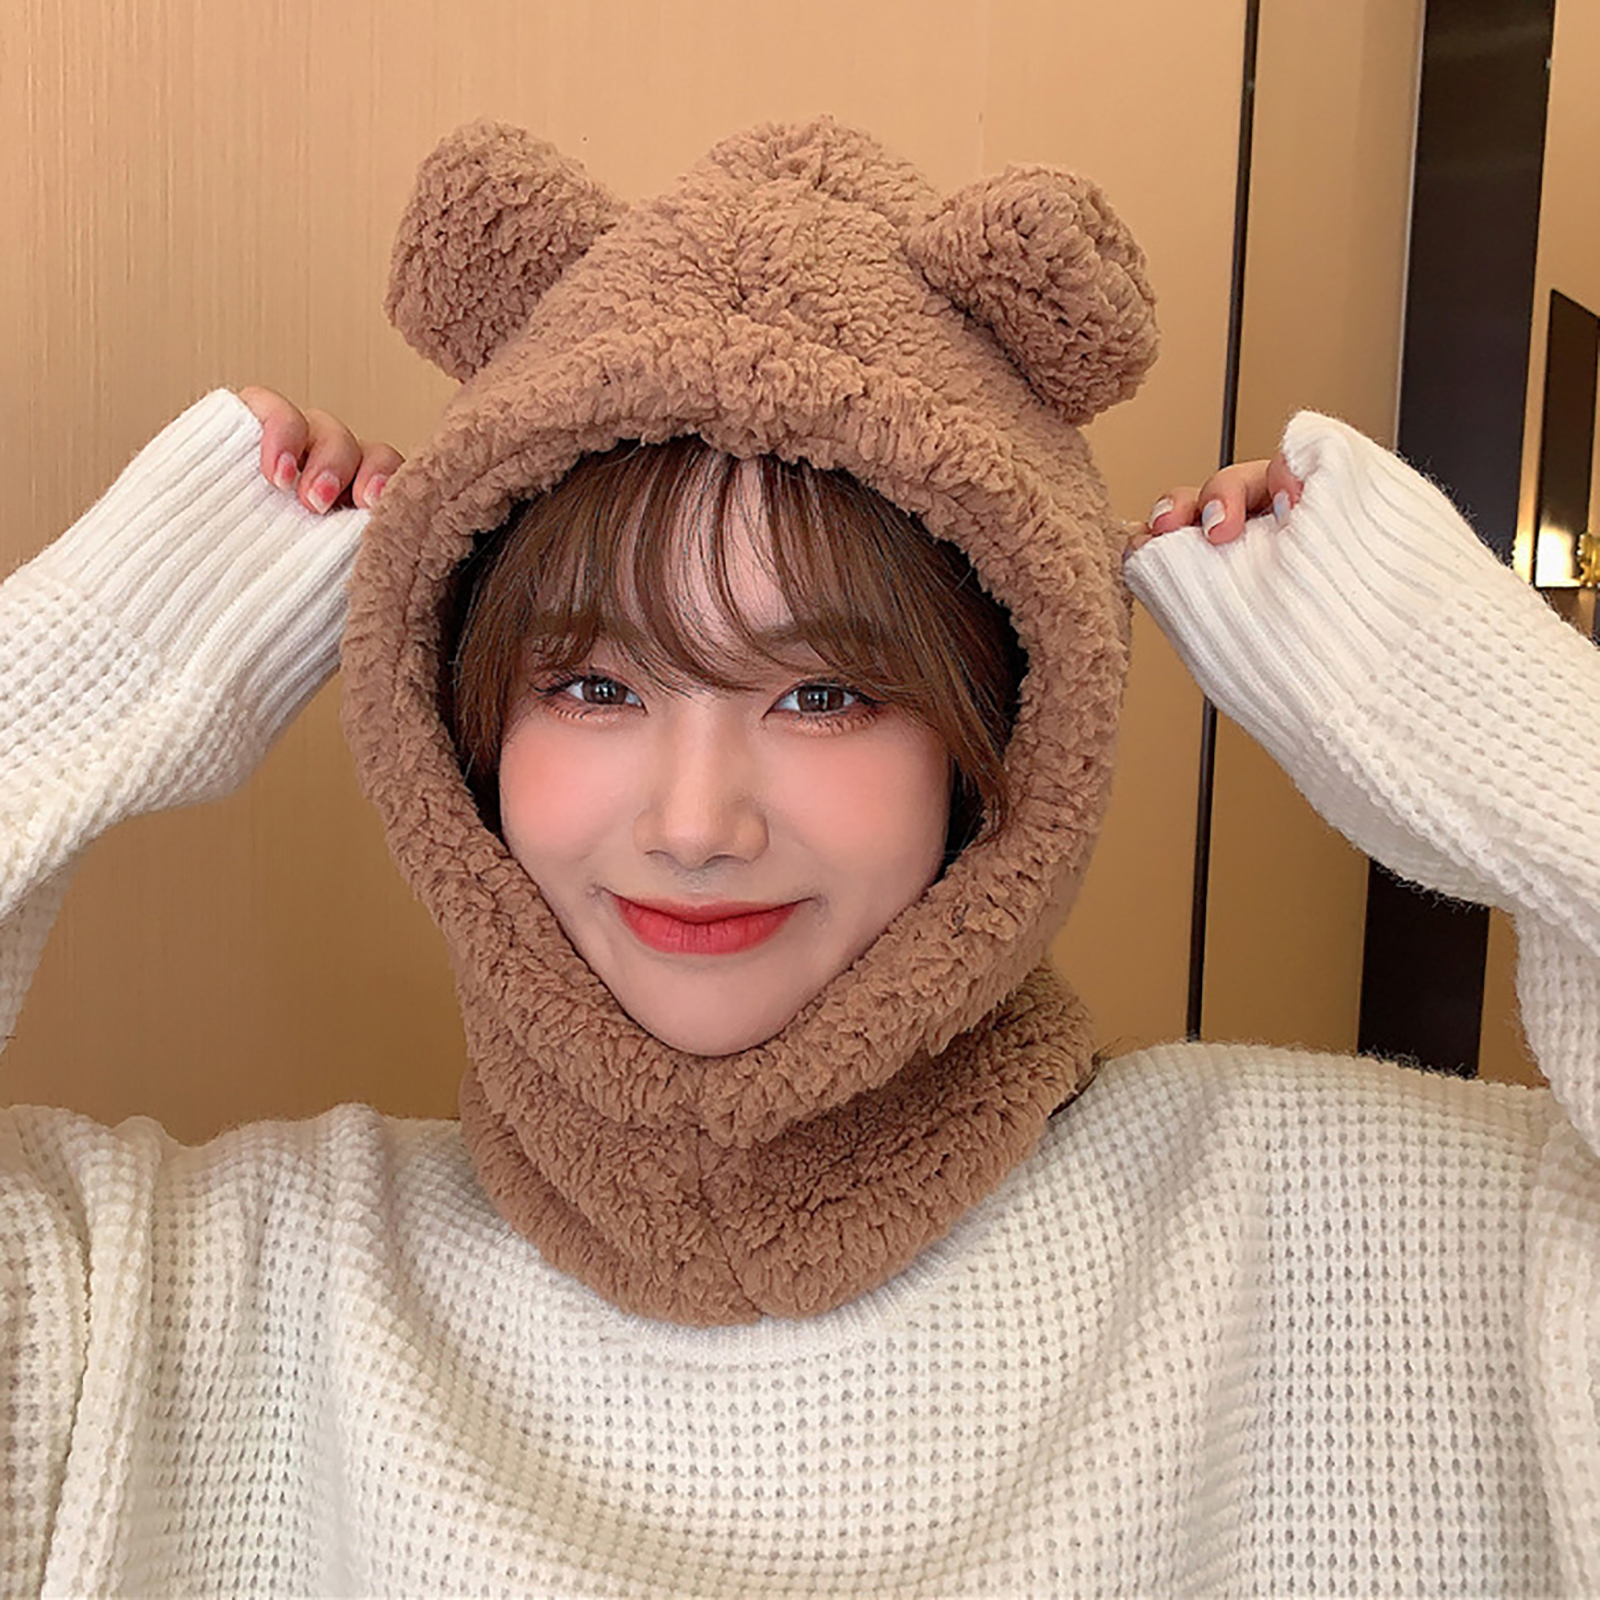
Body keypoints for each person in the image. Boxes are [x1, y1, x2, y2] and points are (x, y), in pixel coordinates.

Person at [3, 116, 1598, 1598]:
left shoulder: (1404, 1248)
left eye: (826, 693)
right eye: (595, 685)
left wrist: (1477, 710)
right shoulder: (180, 1289)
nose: (696, 826)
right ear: (458, 729)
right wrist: (103, 656)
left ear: (1006, 737)